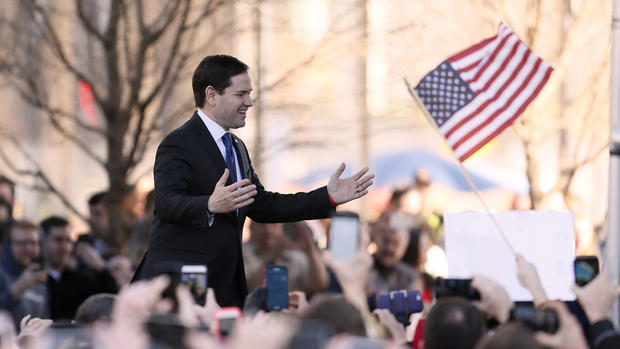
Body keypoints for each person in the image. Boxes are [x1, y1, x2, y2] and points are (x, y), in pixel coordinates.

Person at [133, 54, 374, 308]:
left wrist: (328, 196)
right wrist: (209, 205)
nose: (249, 102)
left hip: (225, 289)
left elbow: (264, 205)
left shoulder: (236, 147)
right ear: (212, 95)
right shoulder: (178, 143)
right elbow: (166, 202)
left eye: (249, 93)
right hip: (182, 289)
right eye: (241, 94)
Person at [40, 216, 118, 321]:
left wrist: (101, 269)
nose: (64, 247)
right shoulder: (33, 279)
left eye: (68, 240)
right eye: (58, 240)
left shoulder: (83, 279)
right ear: (43, 241)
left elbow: (111, 301)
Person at [0, 221, 48, 329]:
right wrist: (19, 287)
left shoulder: (39, 280)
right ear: (8, 246)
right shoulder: (2, 274)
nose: (28, 248)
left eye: (33, 243)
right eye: (22, 243)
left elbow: (45, 321)